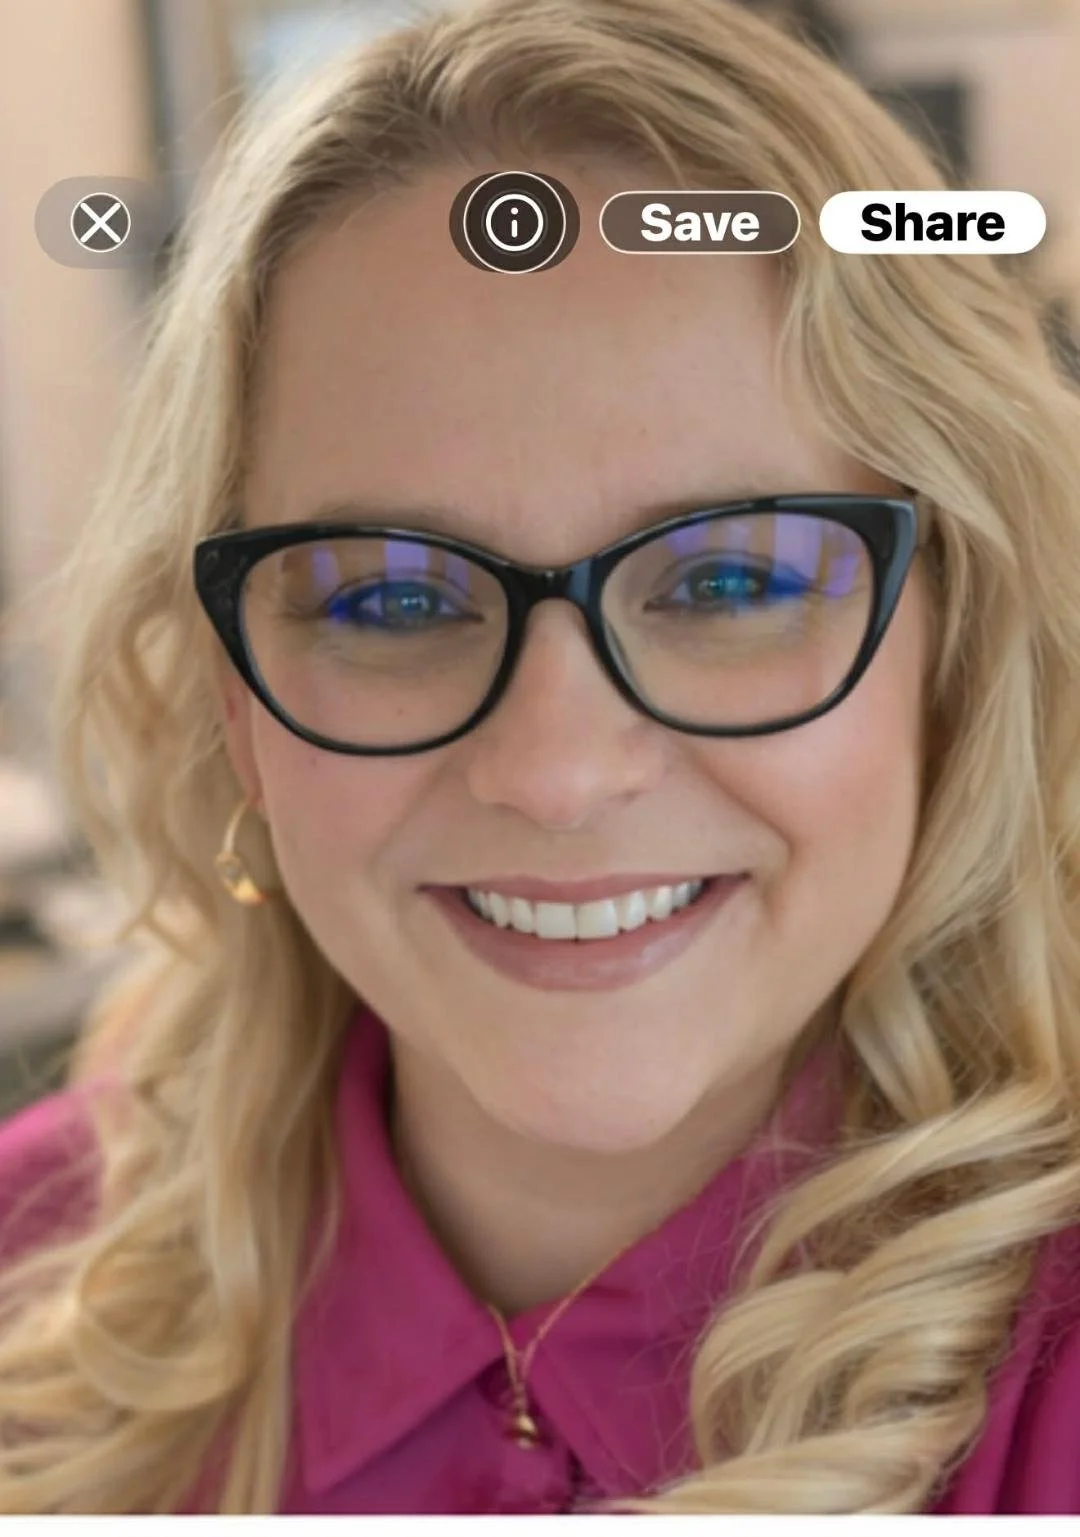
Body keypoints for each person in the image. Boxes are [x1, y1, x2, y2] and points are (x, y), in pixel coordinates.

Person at [1, 0, 1079, 1514]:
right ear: (237, 702)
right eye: (391, 599)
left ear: (954, 648)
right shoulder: (30, 1273)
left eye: (730, 581)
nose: (558, 773)